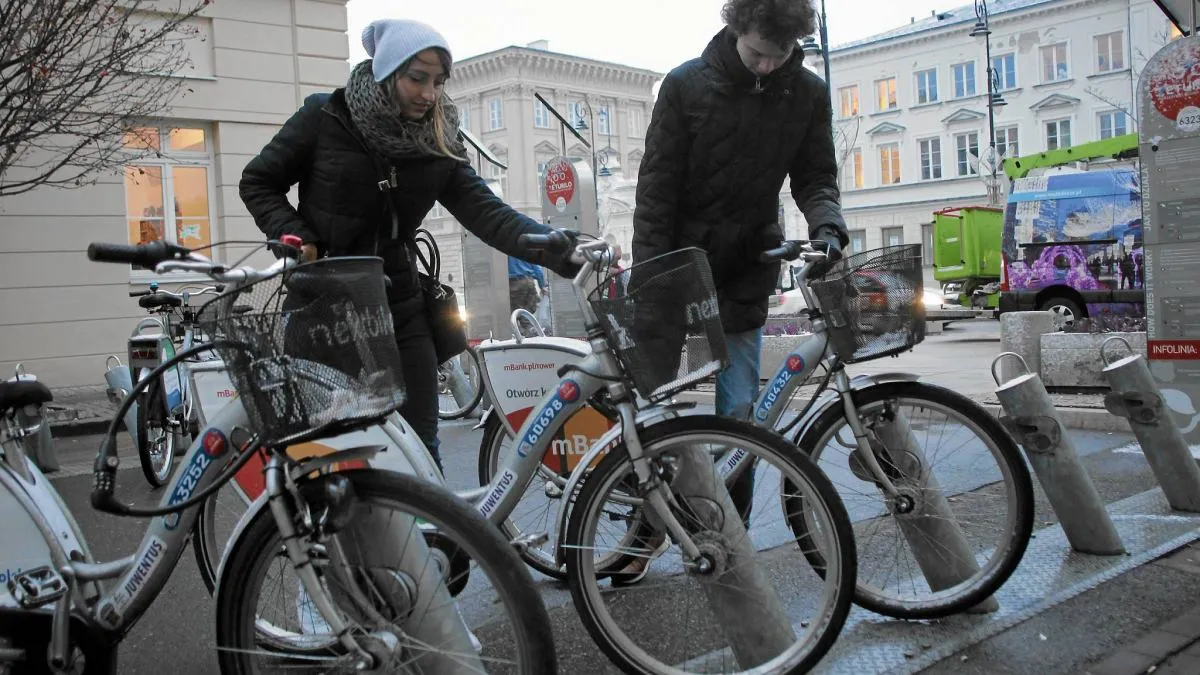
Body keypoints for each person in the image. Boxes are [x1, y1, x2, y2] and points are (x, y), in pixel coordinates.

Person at [240, 18, 576, 474]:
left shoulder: (437, 139)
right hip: (324, 304)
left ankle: (432, 543)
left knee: (421, 445)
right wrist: (298, 239)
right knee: (329, 453)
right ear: (387, 73)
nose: (429, 93)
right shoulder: (326, 117)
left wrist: (548, 247)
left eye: (438, 81)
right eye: (417, 78)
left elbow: (485, 211)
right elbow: (258, 181)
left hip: (399, 302)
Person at [617, 0, 849, 584]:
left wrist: (827, 227)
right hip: (673, 264)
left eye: (781, 56)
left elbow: (816, 175)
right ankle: (643, 532)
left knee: (740, 412)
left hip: (748, 261)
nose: (768, 67)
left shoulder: (806, 93)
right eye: (756, 54)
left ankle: (728, 535)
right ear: (734, 28)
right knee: (657, 412)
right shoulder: (685, 86)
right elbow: (656, 191)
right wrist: (649, 275)